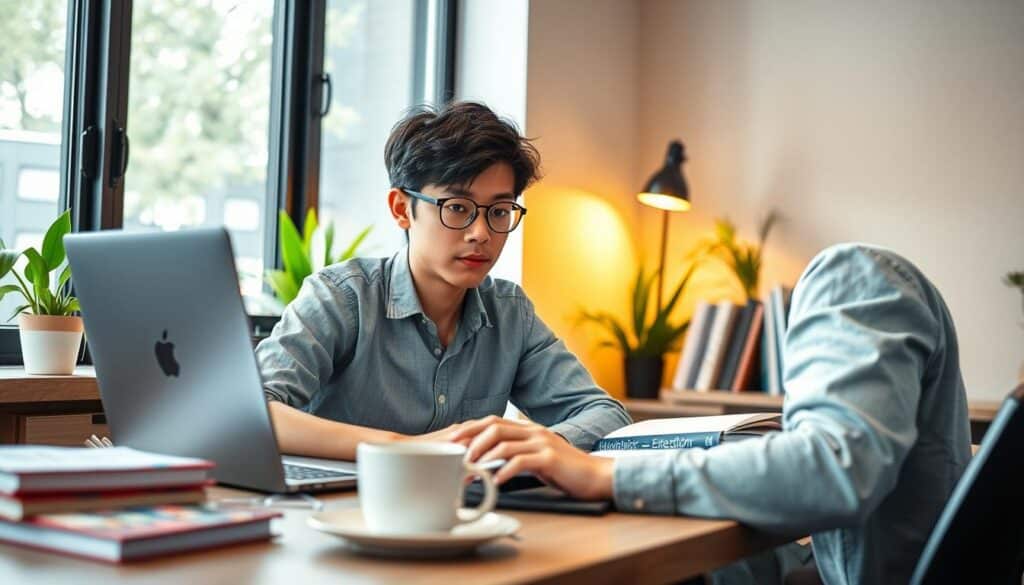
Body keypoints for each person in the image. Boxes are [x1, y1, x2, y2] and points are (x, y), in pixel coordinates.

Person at [459, 243, 972, 585]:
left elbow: (833, 466)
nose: (481, 232)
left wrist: (604, 474)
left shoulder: (853, 275)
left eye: (502, 210)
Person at [255, 101, 631, 461]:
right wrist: (404, 448)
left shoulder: (509, 312)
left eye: (500, 211)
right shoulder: (343, 297)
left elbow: (605, 414)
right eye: (457, 208)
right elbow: (256, 411)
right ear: (402, 209)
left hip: (463, 513)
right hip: (335, 507)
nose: (481, 233)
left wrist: (535, 444)